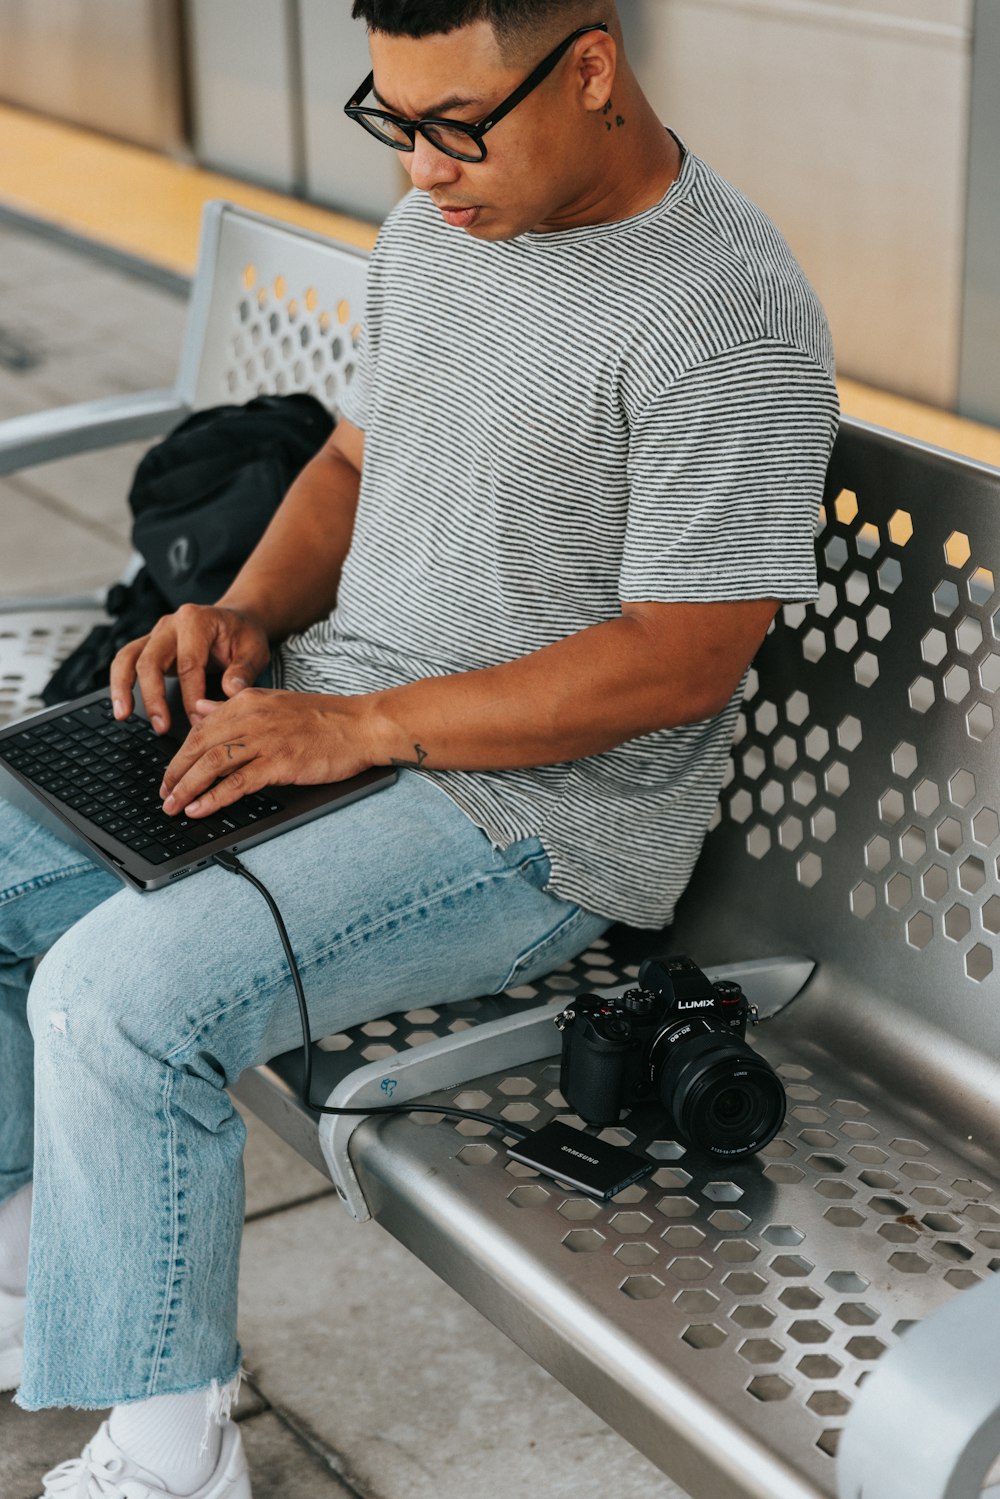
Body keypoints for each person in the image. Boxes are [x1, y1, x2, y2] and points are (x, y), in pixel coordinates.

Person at [0, 1, 839, 1494]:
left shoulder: (730, 312)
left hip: (536, 825)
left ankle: (169, 1454)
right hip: (338, 716)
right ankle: (56, 1264)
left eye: (459, 123)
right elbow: (345, 459)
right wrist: (245, 612)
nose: (426, 171)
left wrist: (364, 725)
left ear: (591, 66)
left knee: (114, 1001)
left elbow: (681, 656)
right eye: (396, 122)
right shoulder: (439, 233)